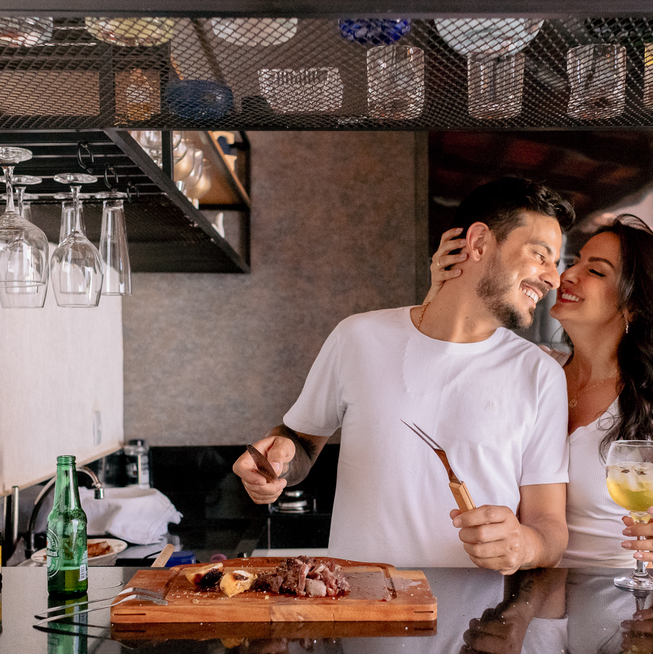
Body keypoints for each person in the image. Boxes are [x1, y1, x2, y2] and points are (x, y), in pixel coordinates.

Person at [233, 177, 576, 574]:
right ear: (479, 242)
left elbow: (550, 530)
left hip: (481, 610)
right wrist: (276, 463)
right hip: (361, 604)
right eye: (540, 255)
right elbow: (301, 446)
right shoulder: (358, 337)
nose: (553, 278)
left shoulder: (541, 375)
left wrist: (525, 544)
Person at [427, 214, 653, 567]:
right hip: (519, 587)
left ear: (634, 306)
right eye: (575, 262)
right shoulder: (534, 370)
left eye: (595, 271)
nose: (566, 275)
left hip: (611, 593)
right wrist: (444, 295)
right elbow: (440, 366)